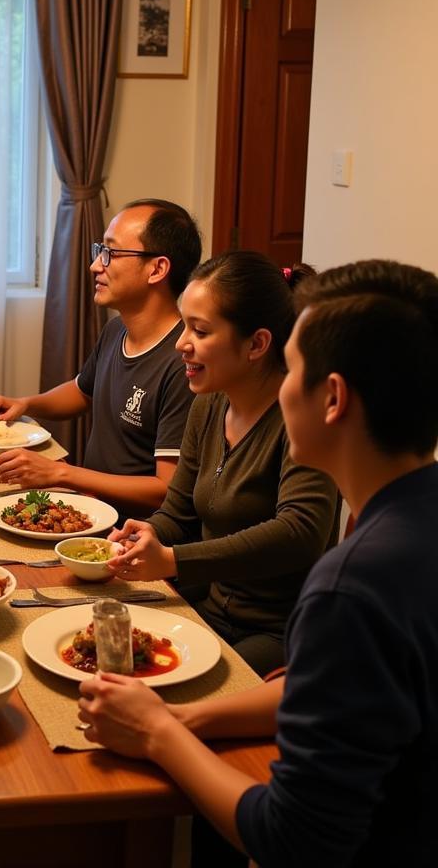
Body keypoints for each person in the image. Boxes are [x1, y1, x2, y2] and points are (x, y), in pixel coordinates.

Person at [79, 259, 438, 866]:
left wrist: (159, 733)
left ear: (332, 399)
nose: (281, 386)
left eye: (292, 369)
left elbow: (292, 839)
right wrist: (183, 716)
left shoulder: (347, 590)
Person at [106, 251, 338, 676]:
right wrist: (150, 534)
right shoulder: (210, 403)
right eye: (184, 325)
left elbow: (301, 530)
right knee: (105, 653)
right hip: (210, 611)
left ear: (257, 344)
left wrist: (174, 560)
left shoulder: (302, 418)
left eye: (200, 330)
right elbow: (178, 512)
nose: (181, 343)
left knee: (158, 691)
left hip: (280, 633)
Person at [0, 199, 202, 518]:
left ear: (158, 269)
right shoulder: (116, 331)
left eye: (112, 253)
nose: (96, 265)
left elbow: (165, 489)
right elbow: (83, 391)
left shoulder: (182, 362)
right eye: (100, 250)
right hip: (88, 510)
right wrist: (27, 403)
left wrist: (62, 474)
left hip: (131, 535)